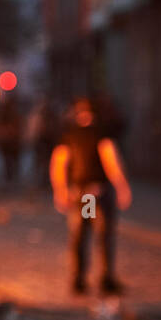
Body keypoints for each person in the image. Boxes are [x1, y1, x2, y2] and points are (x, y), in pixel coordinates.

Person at [49, 97, 133, 296]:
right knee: (102, 236)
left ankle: (79, 279)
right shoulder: (100, 134)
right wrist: (122, 187)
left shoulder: (69, 135)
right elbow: (111, 161)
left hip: (80, 194)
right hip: (96, 193)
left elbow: (58, 165)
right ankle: (105, 279)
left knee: (80, 236)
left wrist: (60, 191)